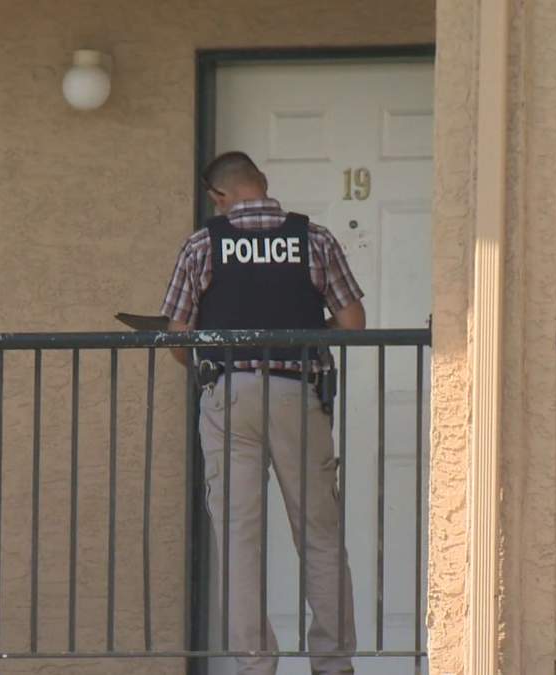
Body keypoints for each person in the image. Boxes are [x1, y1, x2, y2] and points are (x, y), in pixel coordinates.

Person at [160, 151, 366, 675]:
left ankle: (254, 664)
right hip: (298, 392)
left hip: (229, 396)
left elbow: (178, 341)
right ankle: (333, 661)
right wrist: (304, 337)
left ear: (218, 196)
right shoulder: (313, 239)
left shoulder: (202, 244)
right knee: (319, 533)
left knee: (239, 538)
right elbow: (353, 322)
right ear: (264, 185)